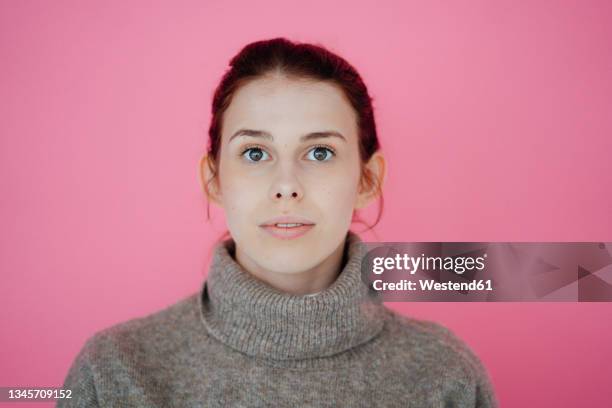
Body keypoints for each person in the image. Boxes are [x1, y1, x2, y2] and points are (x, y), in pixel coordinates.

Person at [60, 38, 498, 407]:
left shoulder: (445, 376)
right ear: (213, 180)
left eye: (320, 152)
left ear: (367, 179)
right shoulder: (115, 371)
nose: (286, 186)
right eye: (255, 153)